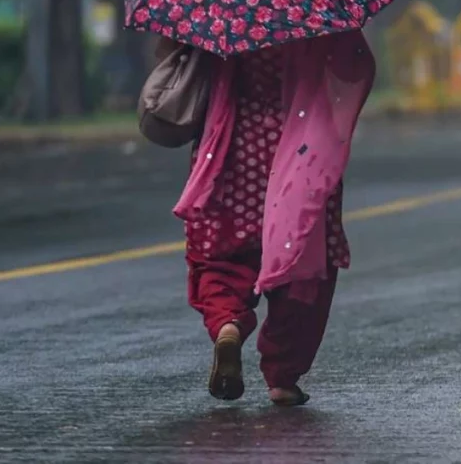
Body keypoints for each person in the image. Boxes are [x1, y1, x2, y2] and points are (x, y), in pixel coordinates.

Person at [159, 30, 375, 405]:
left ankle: (227, 322)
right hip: (300, 156)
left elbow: (177, 62)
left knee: (221, 256)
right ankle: (283, 376)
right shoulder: (315, 11)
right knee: (302, 263)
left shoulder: (221, 8)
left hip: (232, 152)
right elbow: (355, 65)